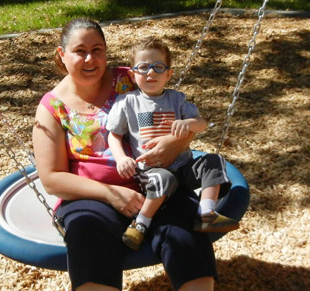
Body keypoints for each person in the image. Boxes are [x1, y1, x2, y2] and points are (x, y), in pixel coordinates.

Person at [33, 18, 219, 291]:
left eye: (97, 50)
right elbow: (51, 179)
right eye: (79, 50)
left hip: (157, 181)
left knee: (186, 234)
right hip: (92, 197)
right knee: (88, 236)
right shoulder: (52, 108)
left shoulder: (130, 79)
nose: (89, 59)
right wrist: (111, 193)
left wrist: (176, 143)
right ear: (62, 54)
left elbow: (178, 116)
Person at [107, 38, 239, 251]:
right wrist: (121, 158)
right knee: (164, 178)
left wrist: (188, 122)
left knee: (214, 161)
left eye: (158, 67)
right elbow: (114, 135)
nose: (151, 73)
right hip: (151, 170)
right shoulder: (128, 102)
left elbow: (201, 125)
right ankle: (141, 223)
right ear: (132, 74)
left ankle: (206, 213)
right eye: (143, 68)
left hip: (184, 166)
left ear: (169, 74)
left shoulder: (177, 99)